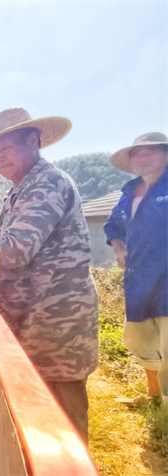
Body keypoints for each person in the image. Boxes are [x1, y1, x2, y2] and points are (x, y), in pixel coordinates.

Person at [0, 108, 99, 442]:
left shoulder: (47, 183)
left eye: (4, 149)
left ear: (33, 140)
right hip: (31, 324)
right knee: (37, 423)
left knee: (62, 432)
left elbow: (16, 248)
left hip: (56, 328)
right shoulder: (20, 189)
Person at [104, 132, 168, 404]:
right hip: (138, 279)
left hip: (165, 278)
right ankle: (153, 396)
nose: (143, 156)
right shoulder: (129, 192)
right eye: (137, 153)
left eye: (151, 151)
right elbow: (112, 227)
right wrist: (120, 250)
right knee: (142, 338)